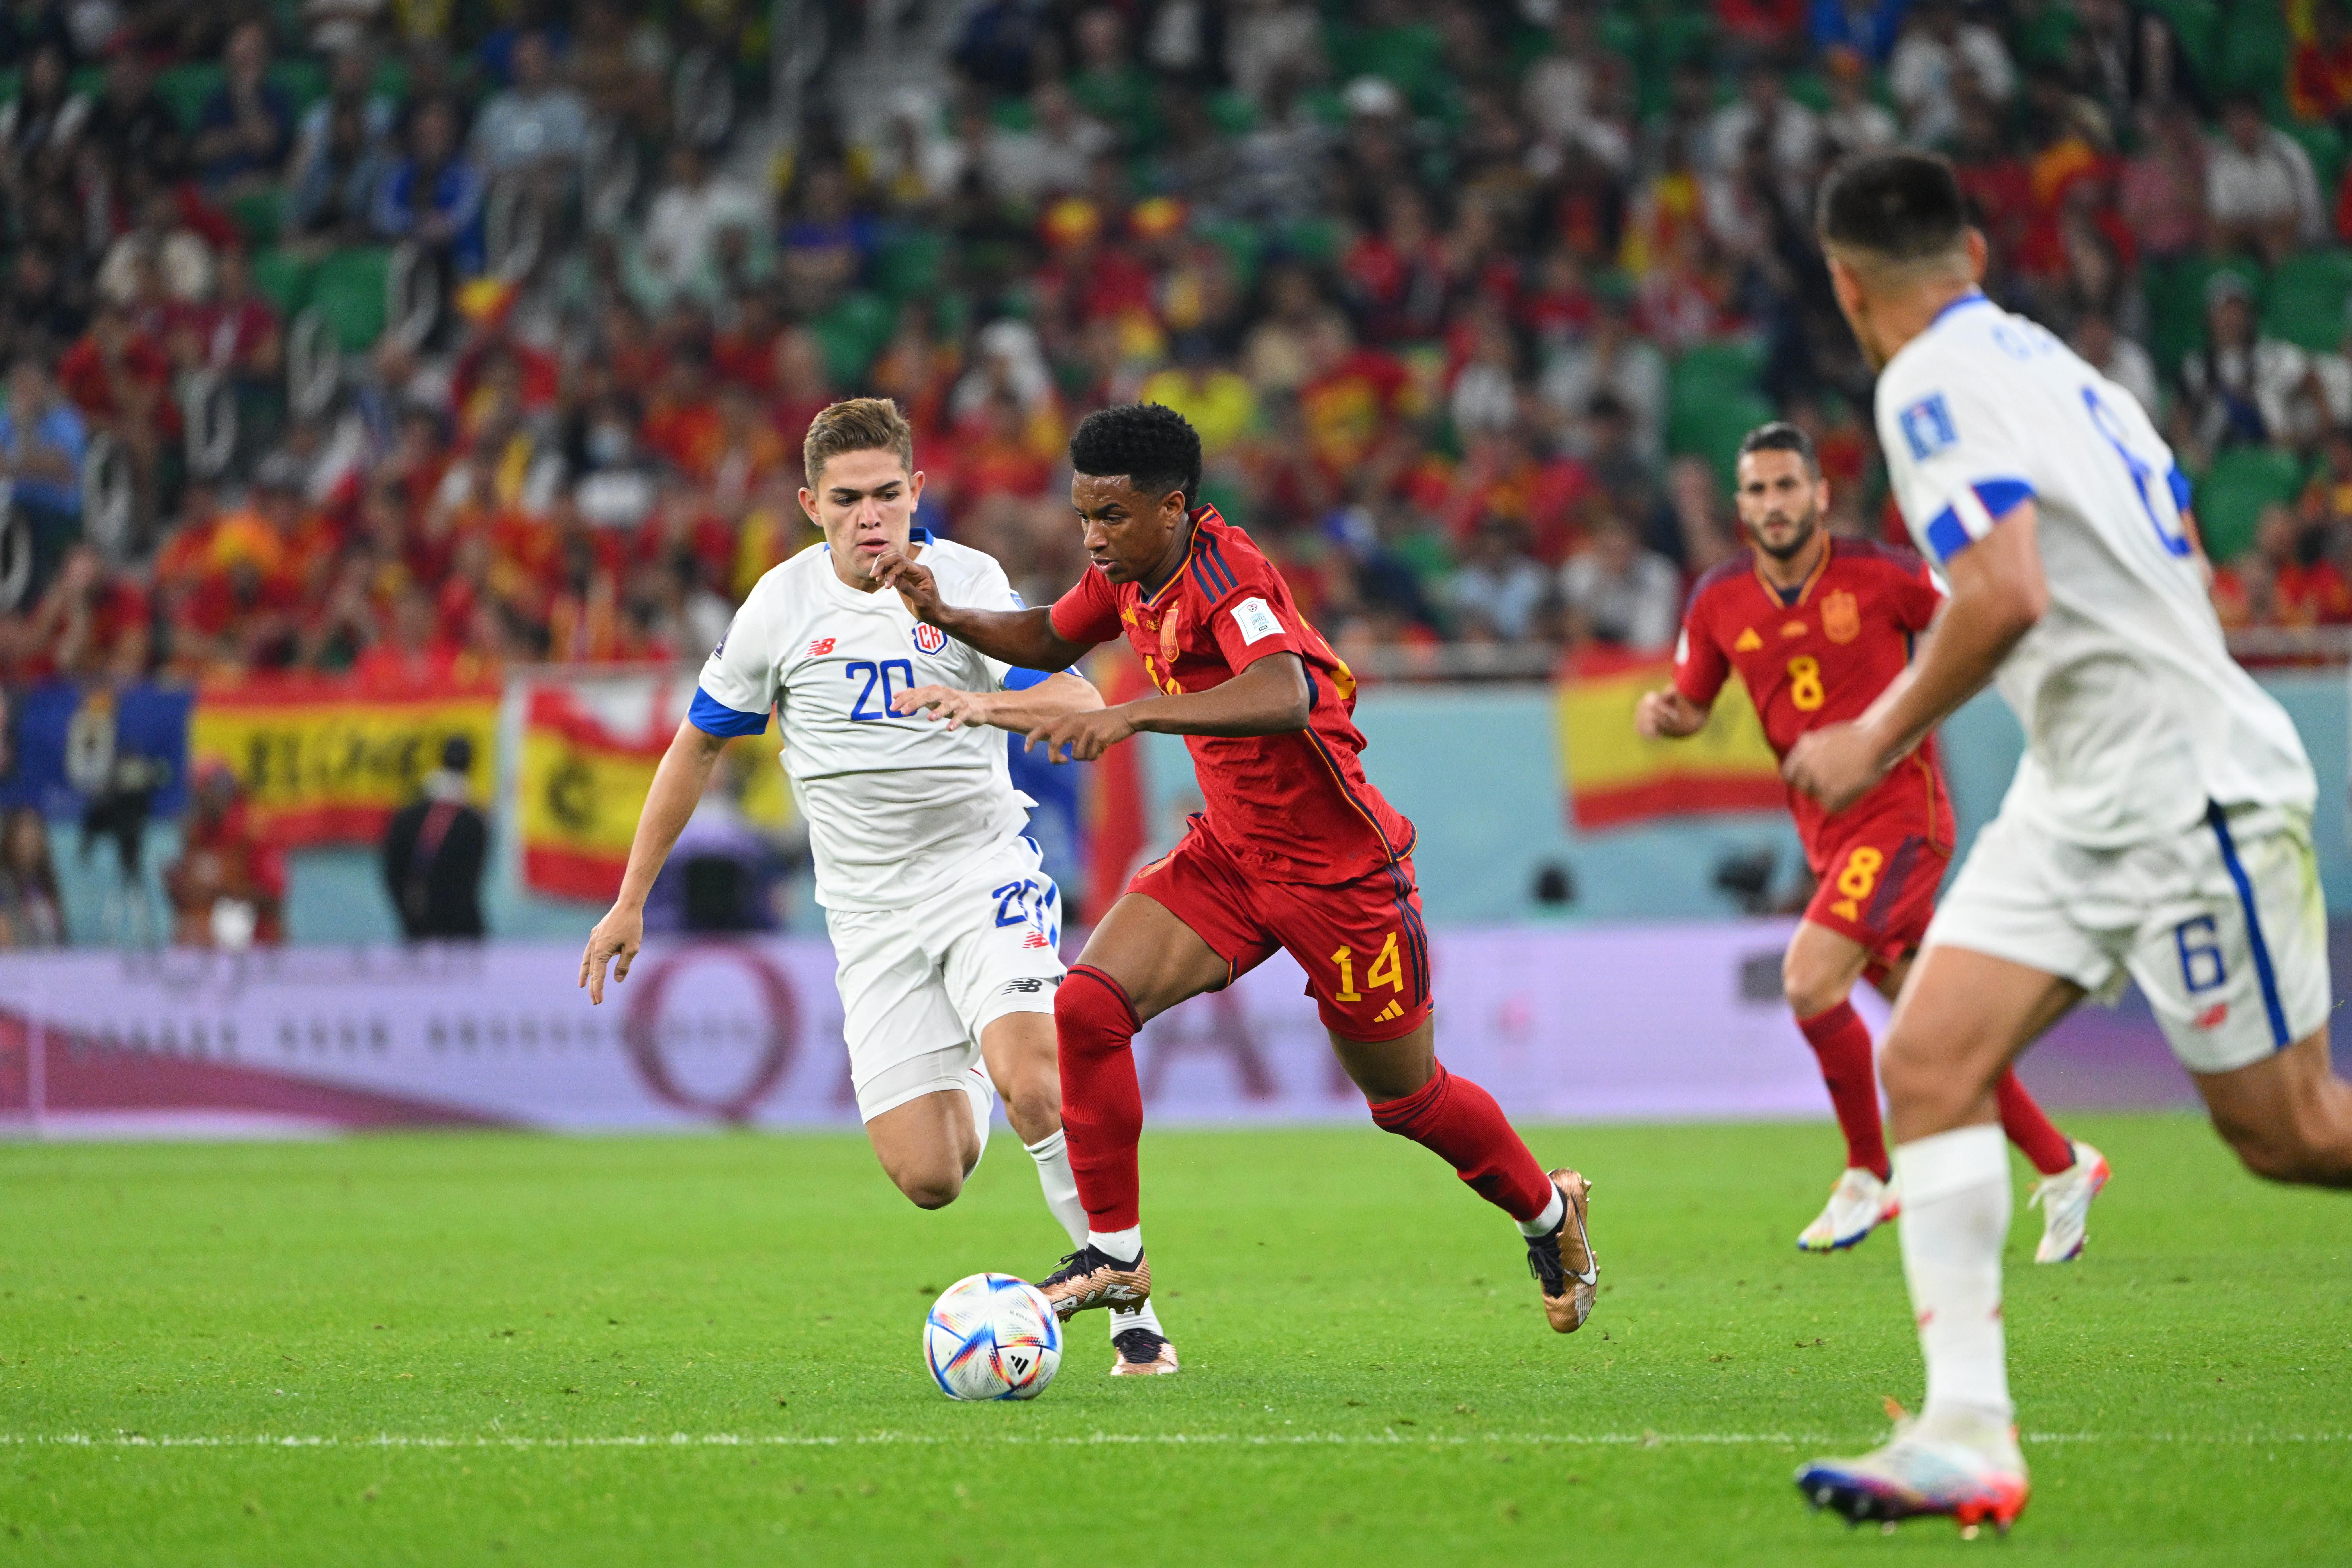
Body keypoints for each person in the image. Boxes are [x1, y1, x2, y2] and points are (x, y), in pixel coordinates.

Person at [1785, 151, 2352, 1531]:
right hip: (2078, 782)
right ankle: (1965, 1431)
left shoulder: (1920, 385)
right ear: (1972, 256)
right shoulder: (2055, 365)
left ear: (1845, 286)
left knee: (2286, 1133)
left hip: (2176, 789)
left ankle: (1967, 1423)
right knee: (1926, 1056)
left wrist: (1870, 735)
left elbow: (2005, 593)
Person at [874, 403, 1600, 1342]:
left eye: (1113, 517)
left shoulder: (1230, 576)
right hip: (1229, 856)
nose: (1093, 539)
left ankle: (1549, 1210)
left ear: (1174, 507)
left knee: (1407, 1100)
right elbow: (1052, 638)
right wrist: (947, 615)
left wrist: (1129, 716)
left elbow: (1284, 693)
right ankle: (1114, 1252)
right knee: (1087, 1007)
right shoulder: (1126, 575)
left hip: (1341, 880)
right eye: (1083, 515)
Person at [577, 398, 1181, 1377]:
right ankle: (990, 1062)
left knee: (1038, 1079)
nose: (872, 517)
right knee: (930, 1174)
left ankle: (1127, 1309)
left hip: (982, 871)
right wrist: (630, 896)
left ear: (917, 493)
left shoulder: (967, 581)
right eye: (849, 499)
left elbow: (1079, 695)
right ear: (812, 504)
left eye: (889, 495)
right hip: (868, 918)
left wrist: (982, 699)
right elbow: (696, 745)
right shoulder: (779, 607)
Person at [1637, 421, 2108, 1259]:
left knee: (1809, 979)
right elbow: (1694, 704)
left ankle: (1868, 1172)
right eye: (1757, 490)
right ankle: (2063, 1162)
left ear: (1820, 494)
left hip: (1902, 819)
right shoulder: (1716, 600)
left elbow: (1982, 622)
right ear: (1739, 506)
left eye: (1788, 486)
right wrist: (1667, 715)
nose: (1774, 504)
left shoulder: (1883, 574)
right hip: (1825, 835)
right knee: (1938, 1033)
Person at [381, 735, 488, 940]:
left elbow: (393, 874)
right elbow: (471, 880)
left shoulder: (407, 817)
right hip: (460, 933)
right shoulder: (474, 823)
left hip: (421, 927)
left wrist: (411, 917)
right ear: (470, 765)